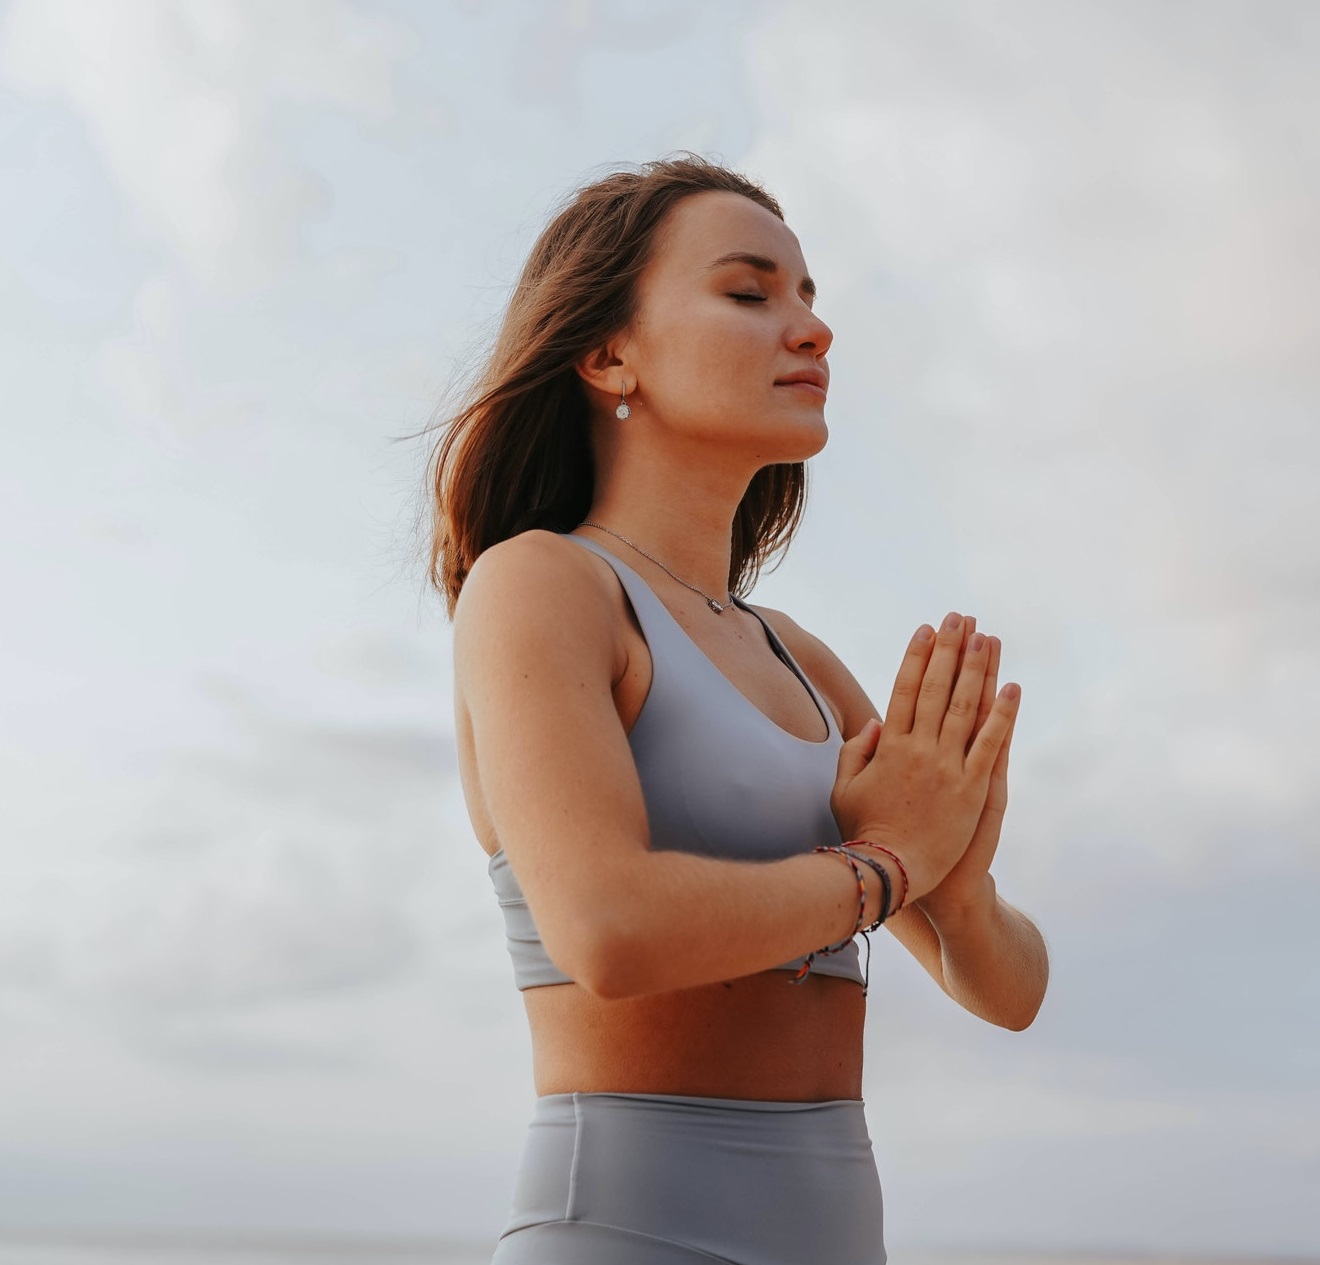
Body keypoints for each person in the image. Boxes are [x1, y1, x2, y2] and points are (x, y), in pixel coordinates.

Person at [423, 154, 1049, 1265]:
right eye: (751, 293)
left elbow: (1007, 990)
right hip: (622, 1231)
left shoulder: (797, 658)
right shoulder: (543, 584)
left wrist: (960, 875)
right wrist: (891, 864)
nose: (811, 329)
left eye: (809, 298)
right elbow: (608, 930)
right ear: (609, 351)